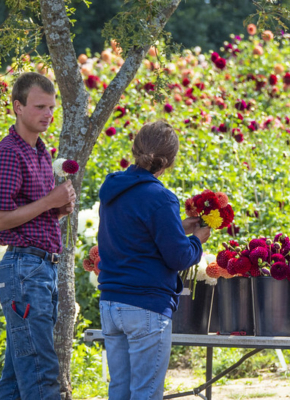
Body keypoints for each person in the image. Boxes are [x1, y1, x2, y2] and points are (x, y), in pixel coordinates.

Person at [97, 120, 211, 400]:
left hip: (111, 303)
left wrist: (178, 226)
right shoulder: (161, 197)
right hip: (145, 305)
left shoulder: (112, 188)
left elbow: (134, 229)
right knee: (146, 394)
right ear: (169, 161)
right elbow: (179, 257)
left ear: (135, 150)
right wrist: (197, 240)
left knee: (120, 392)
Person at [0, 72, 76, 399]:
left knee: (17, 378)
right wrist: (49, 201)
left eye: (51, 107)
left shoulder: (41, 152)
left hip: (41, 268)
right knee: (41, 371)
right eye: (40, 107)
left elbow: (31, 212)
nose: (47, 114)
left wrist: (58, 210)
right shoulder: (9, 152)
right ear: (17, 107)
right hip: (24, 269)